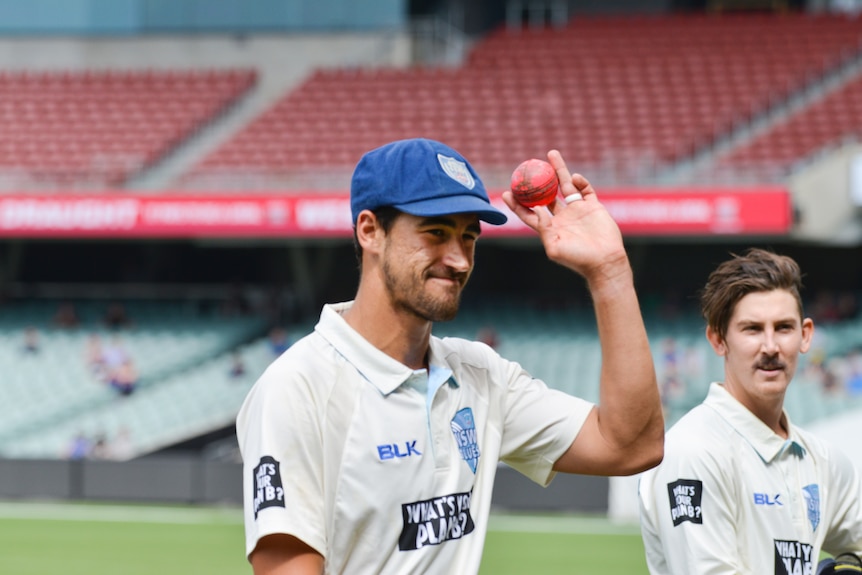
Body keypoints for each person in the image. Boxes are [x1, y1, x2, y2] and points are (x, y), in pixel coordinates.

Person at [236, 138, 664, 575]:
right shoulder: (298, 387)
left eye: (468, 237)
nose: (459, 260)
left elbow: (632, 446)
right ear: (370, 231)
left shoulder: (479, 375)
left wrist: (609, 272)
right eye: (436, 233)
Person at [638, 248, 862, 574]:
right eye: (752, 329)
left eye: (784, 327)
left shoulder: (825, 462)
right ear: (718, 339)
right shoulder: (693, 451)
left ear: (805, 335)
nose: (770, 347)